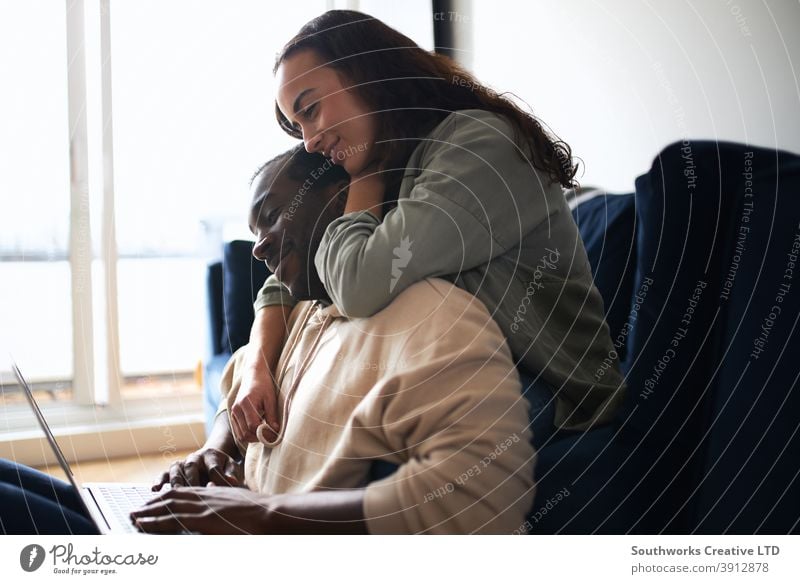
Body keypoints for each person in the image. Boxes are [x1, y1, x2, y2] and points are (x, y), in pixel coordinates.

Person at [231, 9, 627, 448]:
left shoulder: (479, 147)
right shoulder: (391, 159)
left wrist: (364, 180)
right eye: (297, 125)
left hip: (551, 388)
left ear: (369, 73)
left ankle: (278, 514)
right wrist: (257, 369)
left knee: (365, 427)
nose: (308, 141)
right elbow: (286, 282)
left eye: (311, 110)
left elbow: (360, 284)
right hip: (464, 367)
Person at [131, 146, 536, 534]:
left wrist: (263, 516)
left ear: (344, 201)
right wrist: (216, 449)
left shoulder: (433, 316)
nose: (258, 248)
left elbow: (482, 502)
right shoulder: (305, 308)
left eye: (273, 216)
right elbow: (240, 373)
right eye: (254, 232)